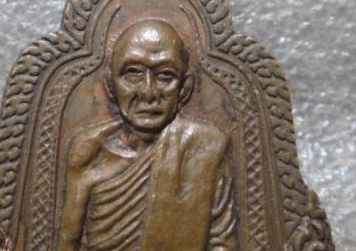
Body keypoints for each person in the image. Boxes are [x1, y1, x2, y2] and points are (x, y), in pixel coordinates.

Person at [56, 19, 238, 251]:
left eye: (165, 76)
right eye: (132, 74)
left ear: (184, 88)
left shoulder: (206, 148)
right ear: (110, 85)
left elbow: (223, 244)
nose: (148, 92)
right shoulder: (89, 151)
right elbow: (66, 244)